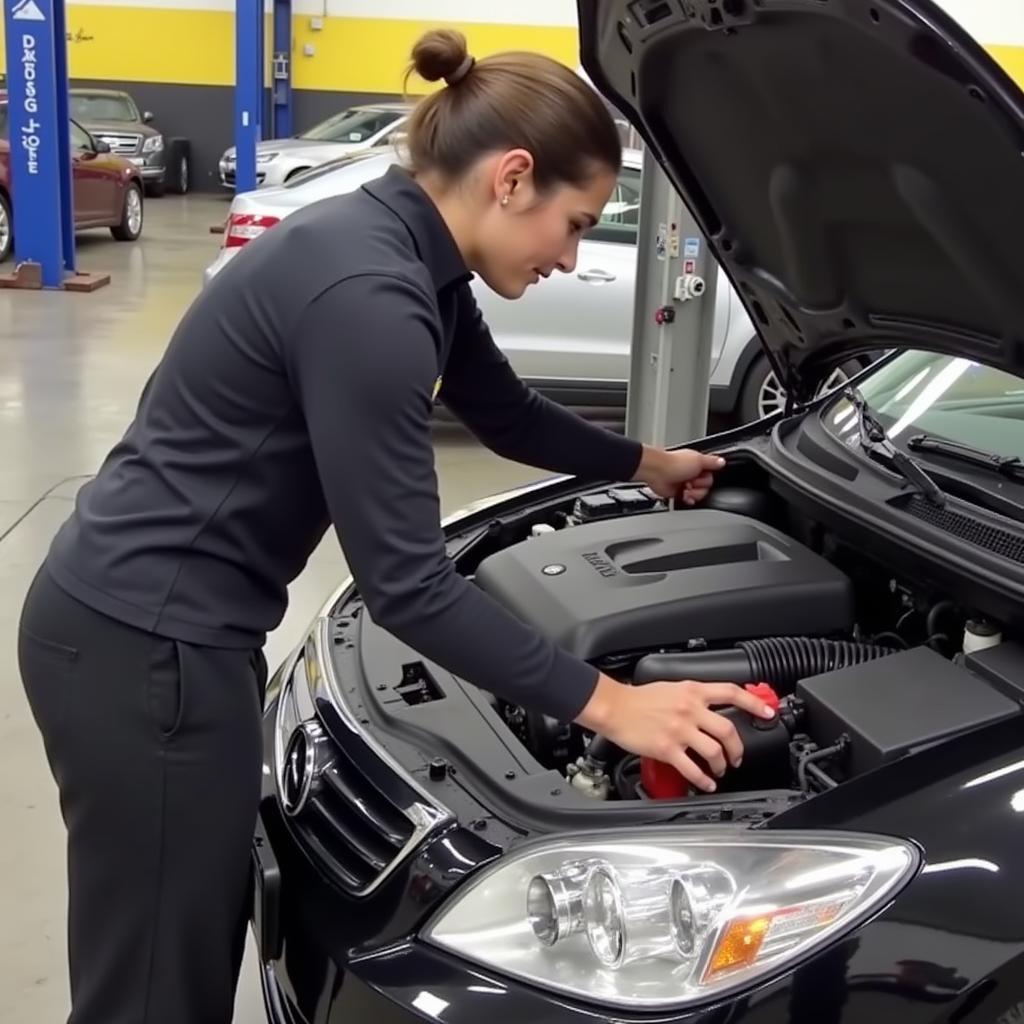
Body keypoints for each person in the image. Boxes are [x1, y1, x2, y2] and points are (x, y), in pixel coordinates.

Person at [17, 27, 775, 1024]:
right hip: (147, 647)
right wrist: (610, 705)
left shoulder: (396, 246)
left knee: (175, 950)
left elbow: (502, 413)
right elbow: (406, 583)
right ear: (511, 178)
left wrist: (647, 463)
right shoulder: (373, 298)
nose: (571, 253)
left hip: (151, 624)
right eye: (576, 222)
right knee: (156, 993)